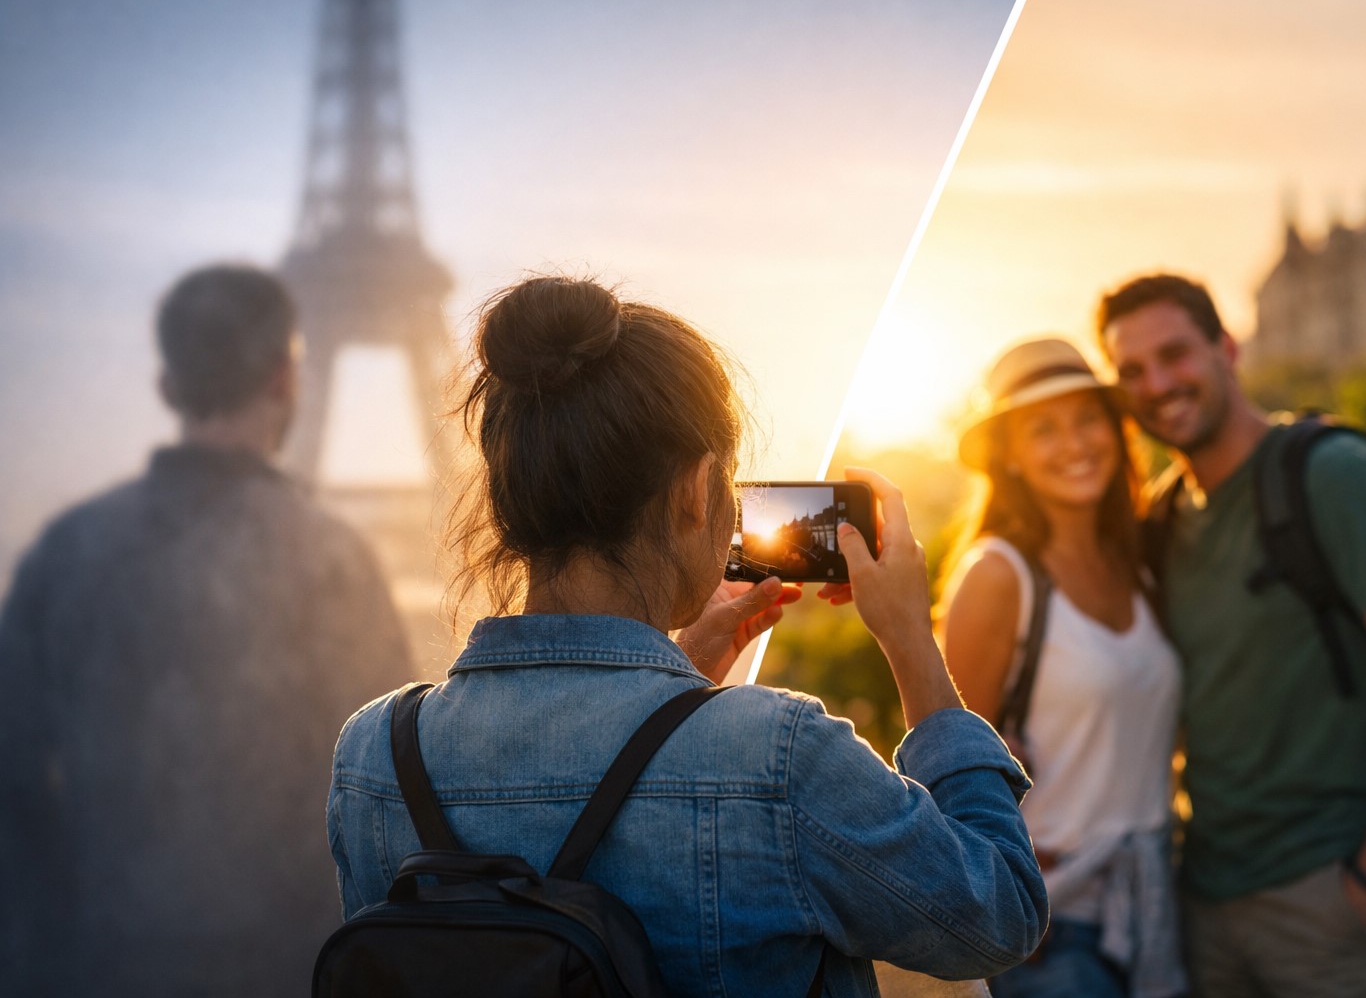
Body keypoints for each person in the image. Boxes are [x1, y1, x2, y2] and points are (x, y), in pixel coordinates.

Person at [327, 275, 1048, 996]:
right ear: (696, 490)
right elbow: (999, 913)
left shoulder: (375, 752)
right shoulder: (779, 754)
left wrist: (684, 689)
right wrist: (912, 641)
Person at [0, 265, 414, 996]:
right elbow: (387, 797)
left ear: (167, 386)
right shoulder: (336, 565)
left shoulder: (64, 555)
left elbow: (16, 788)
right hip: (292, 966)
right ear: (285, 378)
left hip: (98, 965)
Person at [1097, 273, 1366, 998]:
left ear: (1226, 348)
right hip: (1210, 909)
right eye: (1132, 371)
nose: (1157, 384)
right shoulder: (1164, 519)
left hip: (1343, 907)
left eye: (1175, 354)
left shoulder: (1333, 475)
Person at [938, 337, 1185, 998]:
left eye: (1087, 419)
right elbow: (946, 760)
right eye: (1042, 429)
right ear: (1010, 456)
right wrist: (1003, 883)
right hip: (1053, 924)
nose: (1074, 444)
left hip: (1151, 902)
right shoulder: (998, 575)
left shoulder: (1138, 565)